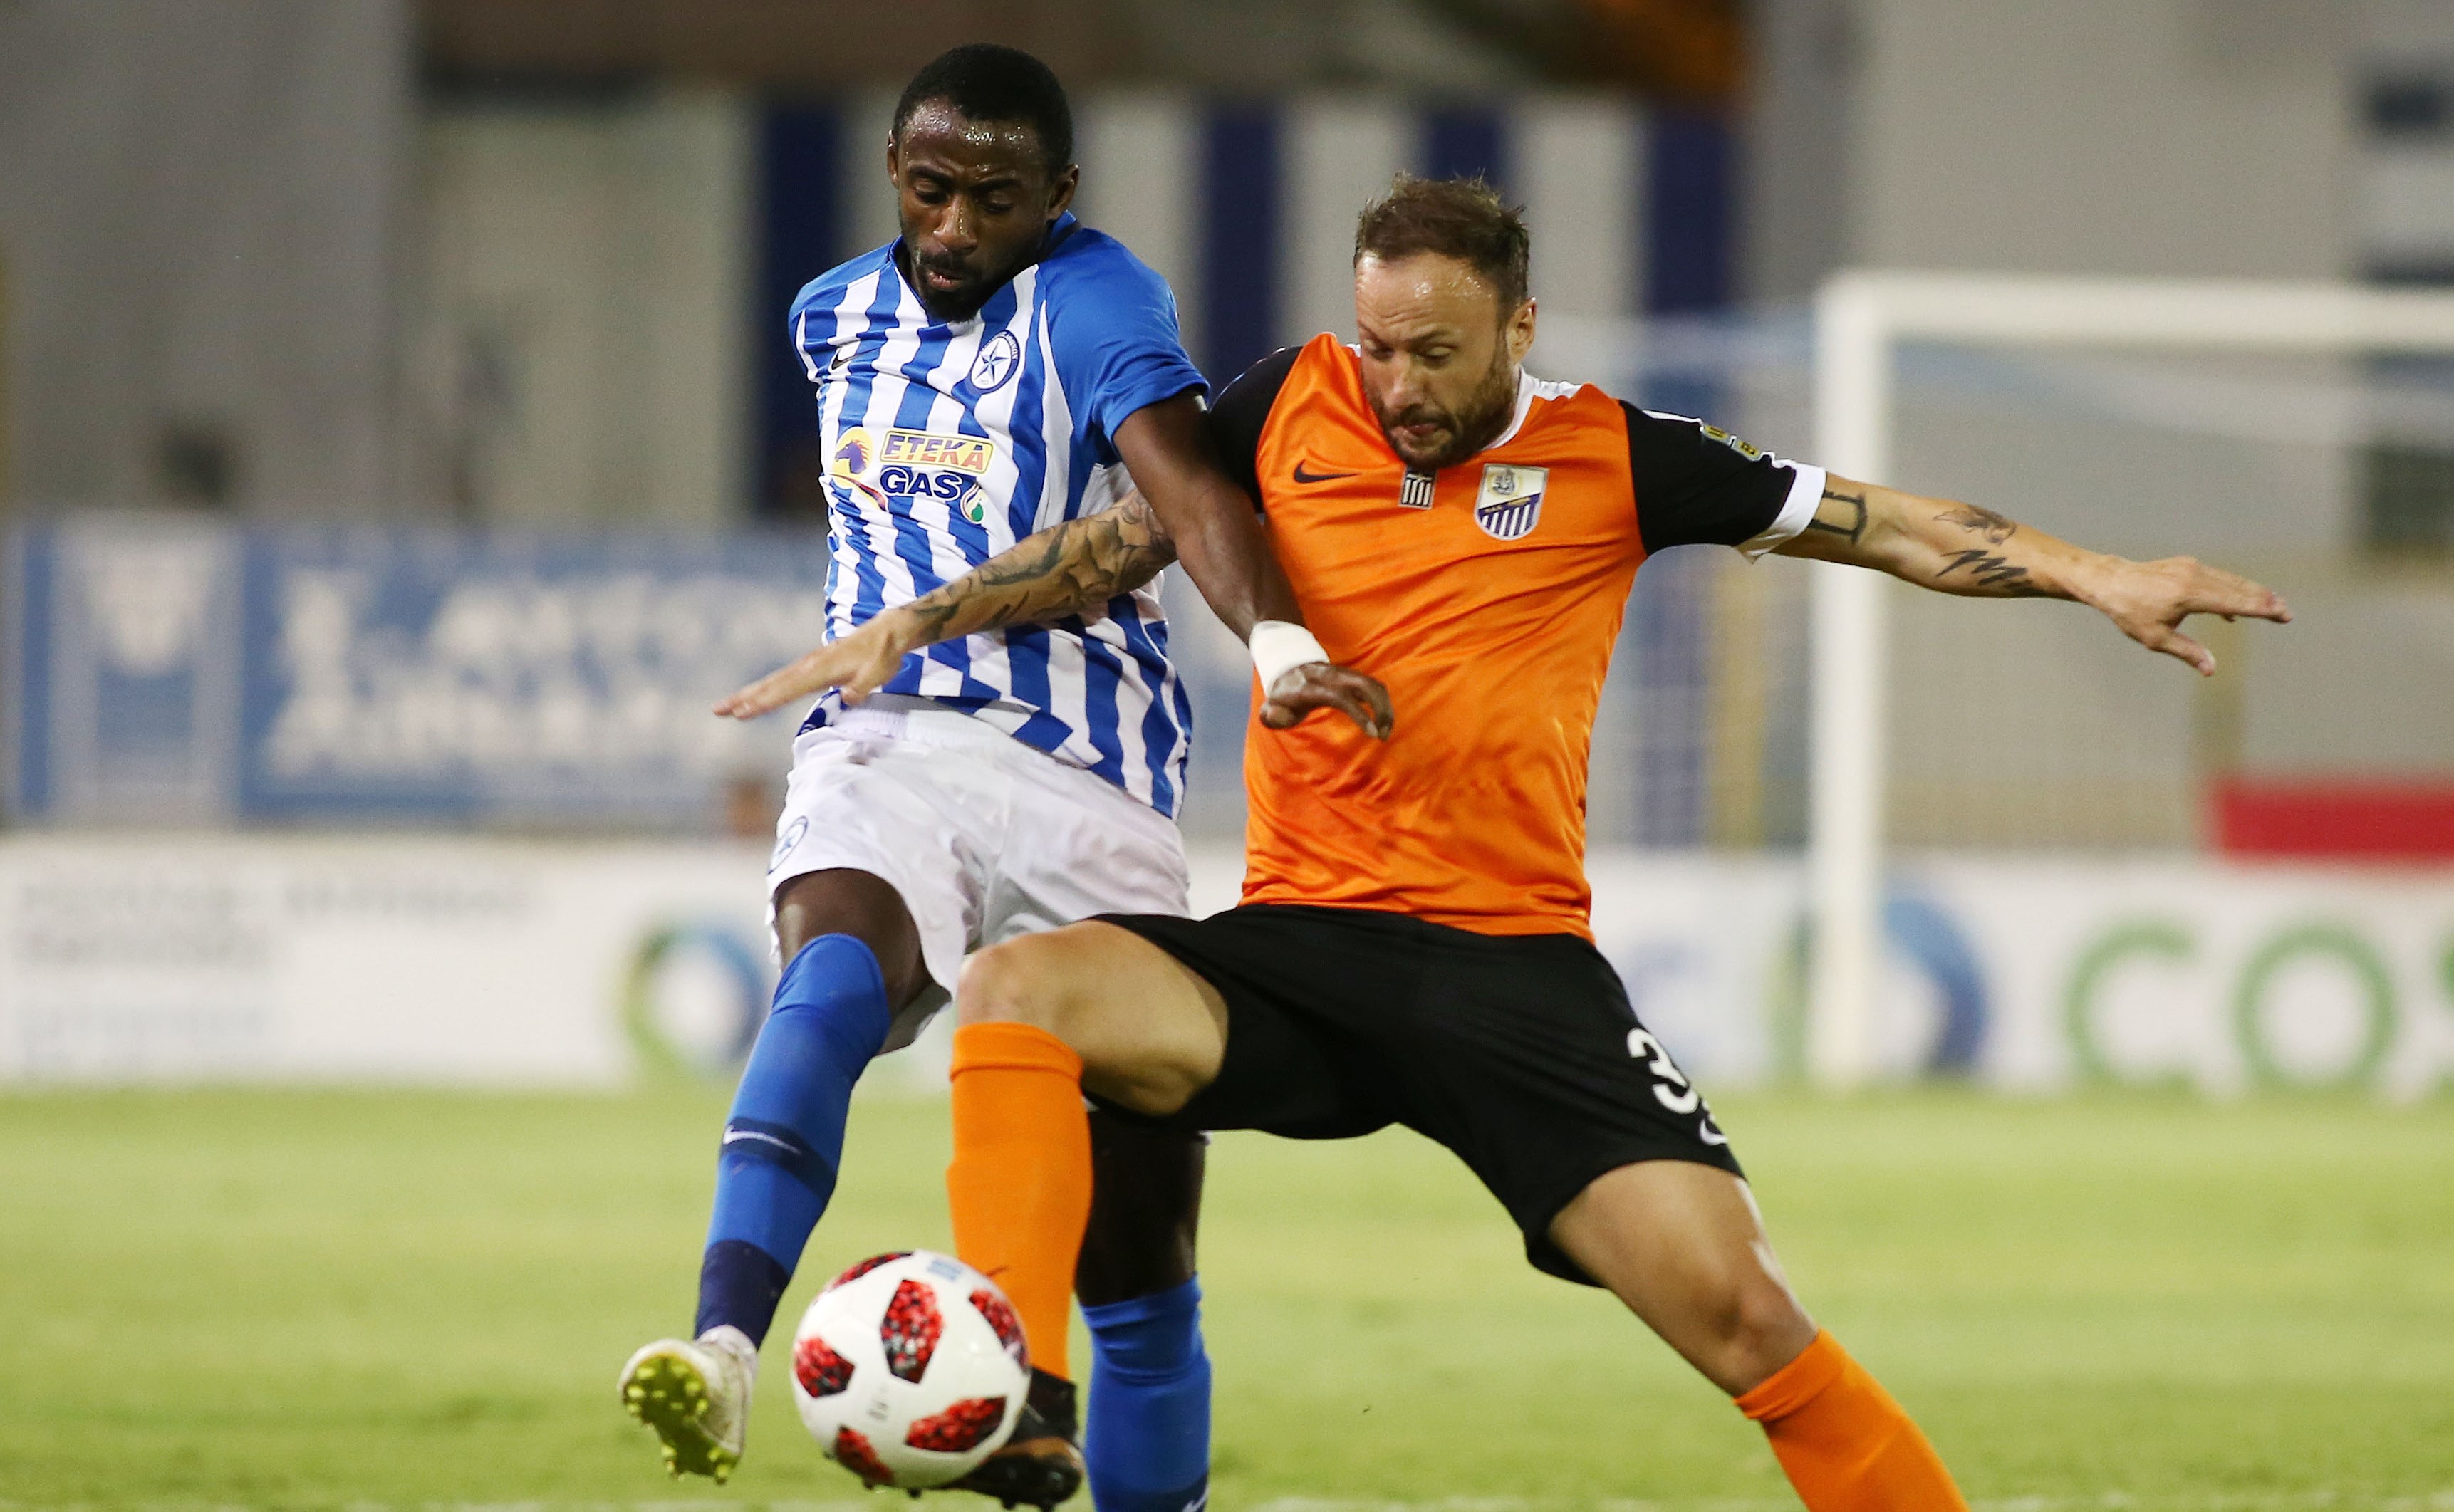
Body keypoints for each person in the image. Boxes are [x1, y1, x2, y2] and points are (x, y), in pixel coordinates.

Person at [922, 175, 2293, 1510]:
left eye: (1435, 353)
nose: (1397, 385)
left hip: (1512, 975)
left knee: (1749, 1320)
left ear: (1520, 328)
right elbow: (1120, 545)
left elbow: (1890, 528)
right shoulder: (1285, 402)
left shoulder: (1620, 456)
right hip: (1301, 950)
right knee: (1017, 986)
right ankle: (1012, 1386)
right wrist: (907, 627)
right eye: (1378, 345)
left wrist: (2095, 573)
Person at [615, 43, 1388, 1503]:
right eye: (930, 190)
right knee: (829, 974)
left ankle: (1060, 1436)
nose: (956, 226)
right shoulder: (828, 318)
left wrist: (1279, 643)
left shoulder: (1096, 301)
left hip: (1090, 778)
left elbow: (1187, 488)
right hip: (890, 735)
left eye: (996, 199)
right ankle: (722, 1345)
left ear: (1059, 195)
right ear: (892, 172)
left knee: (1139, 1259)